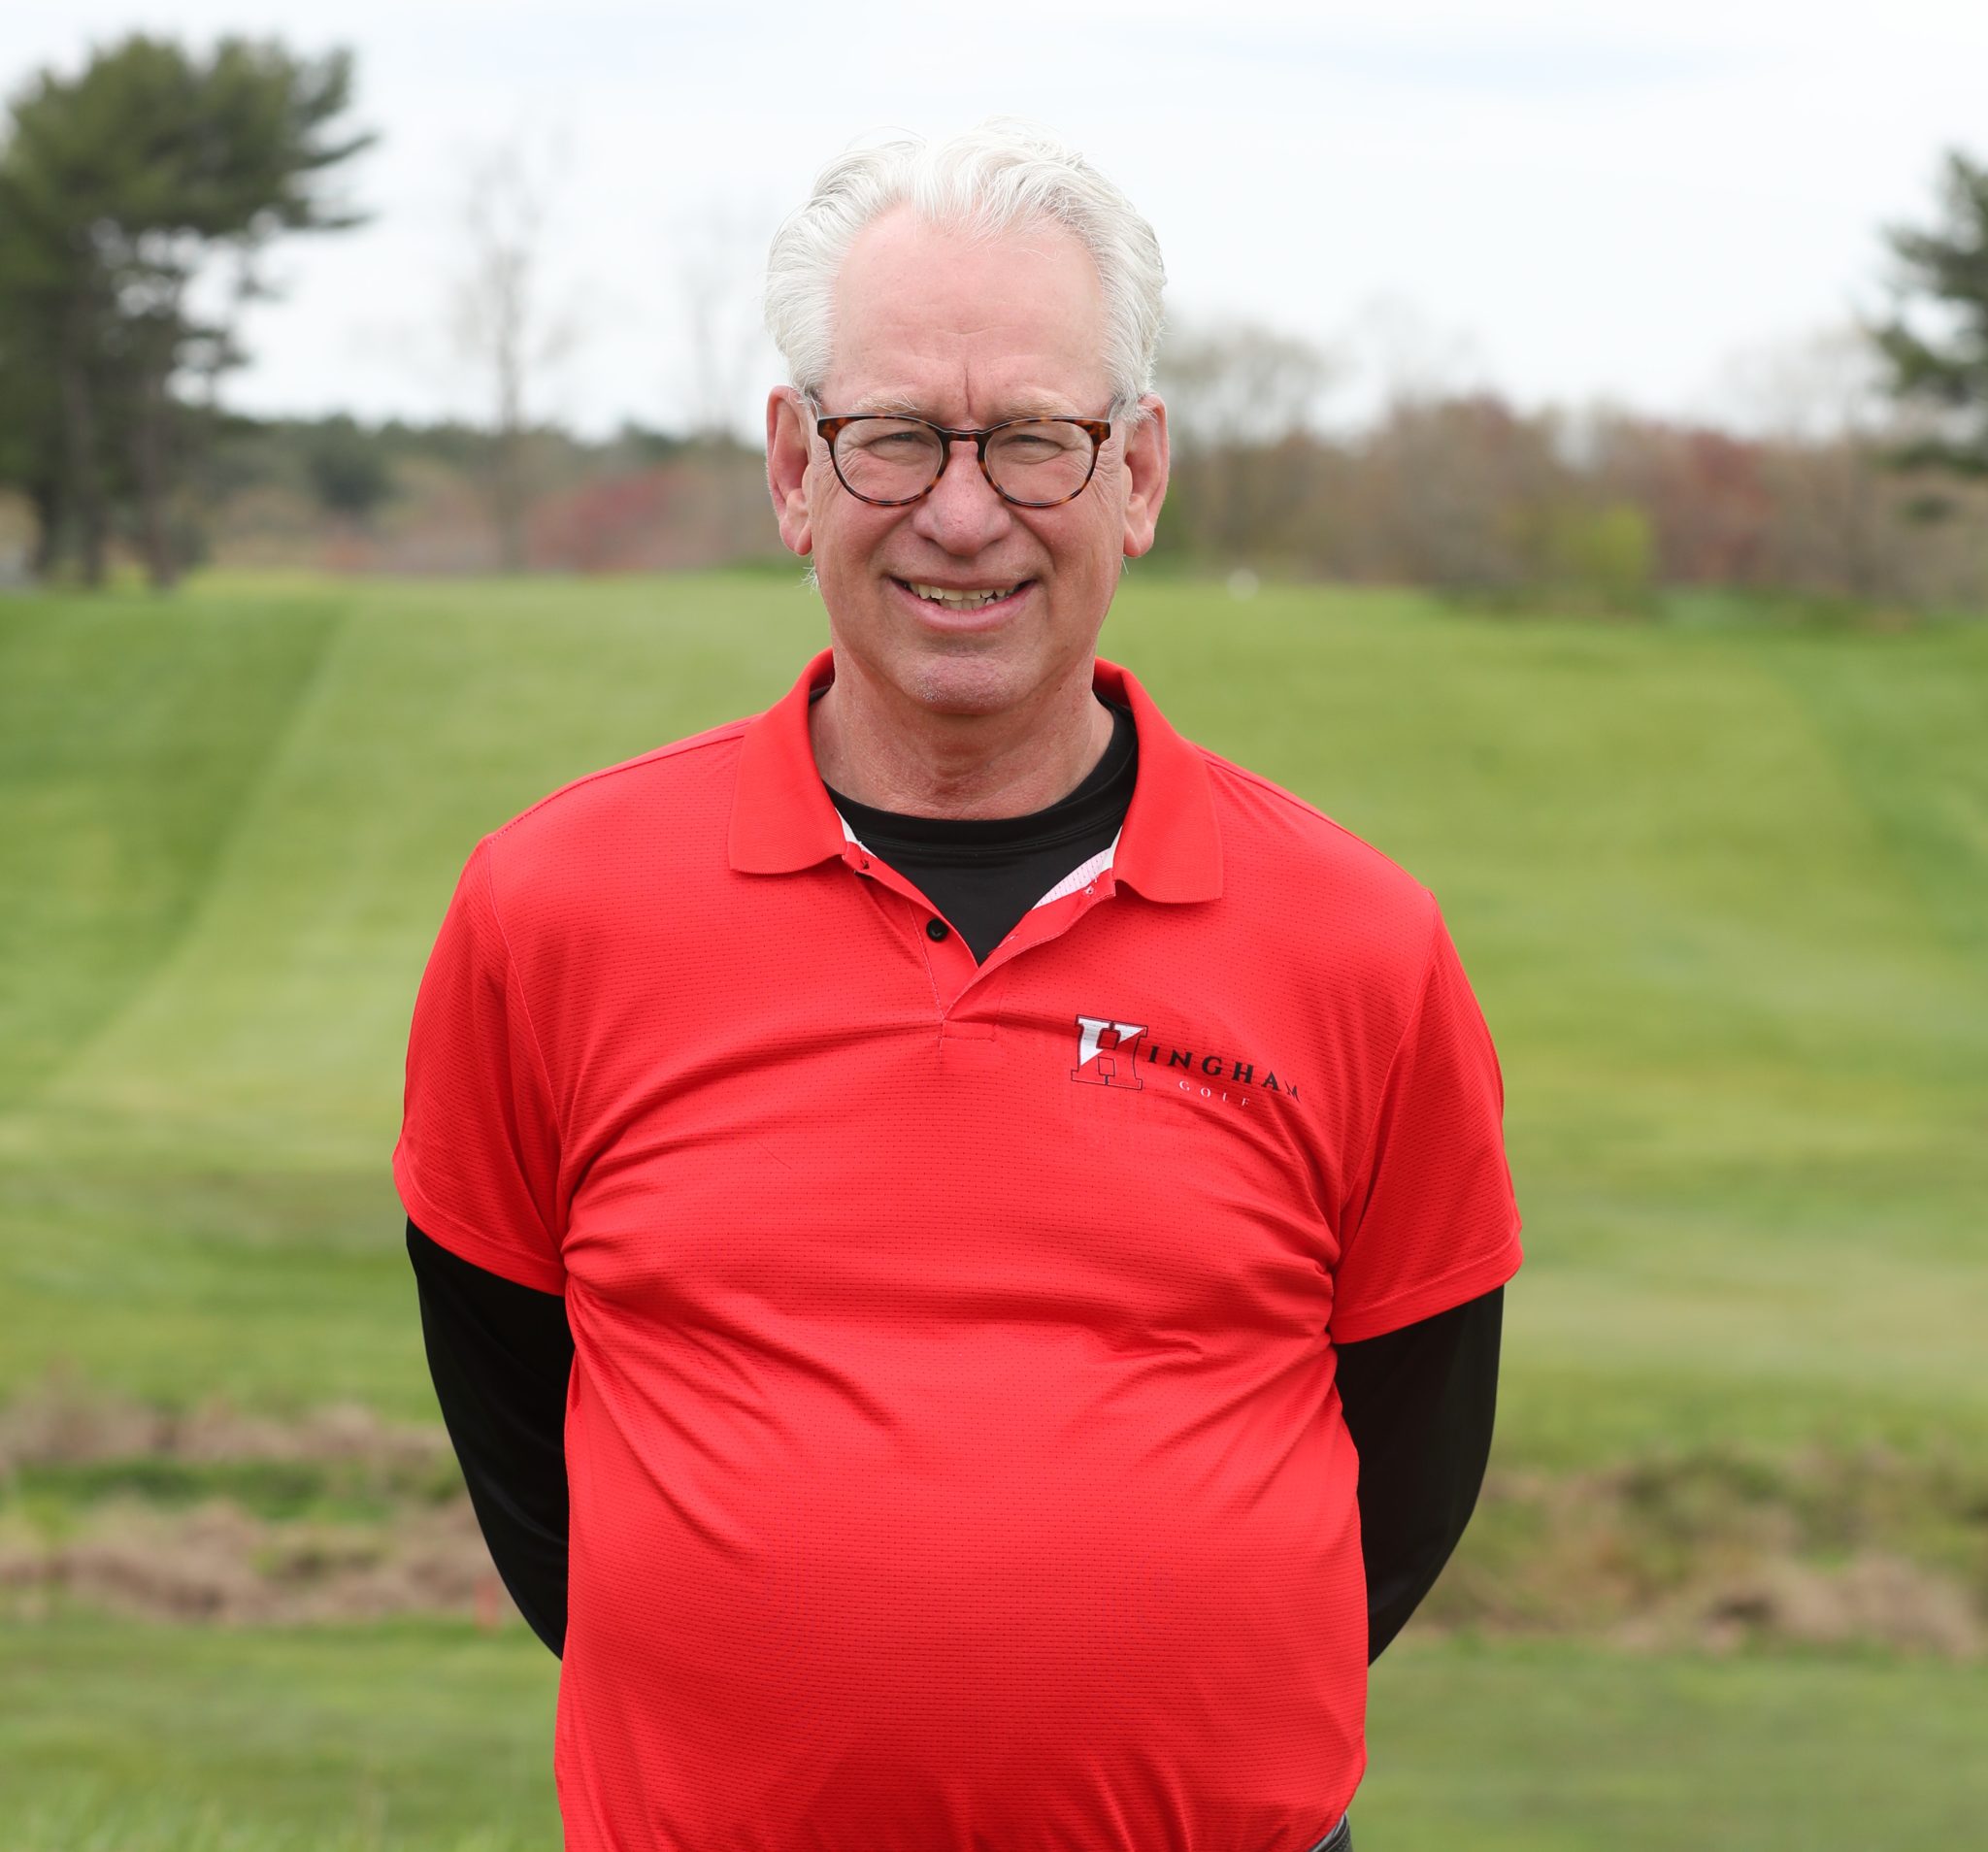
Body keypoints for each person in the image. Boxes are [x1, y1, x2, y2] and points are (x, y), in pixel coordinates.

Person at [395, 119, 1522, 1852]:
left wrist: (1154, 1690)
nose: (966, 509)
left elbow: (1413, 1457)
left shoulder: (1357, 940)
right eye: (898, 436)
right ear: (793, 469)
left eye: (1036, 442)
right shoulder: (551, 912)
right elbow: (519, 1431)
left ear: (1139, 473)